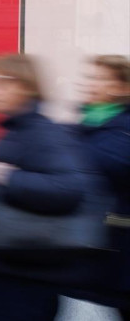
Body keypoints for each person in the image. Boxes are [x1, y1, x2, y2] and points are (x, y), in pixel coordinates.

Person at [0, 54, 95, 321]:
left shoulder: (43, 133)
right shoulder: (16, 129)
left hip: (27, 274)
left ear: (20, 85)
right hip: (8, 262)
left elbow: (70, 187)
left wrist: (6, 176)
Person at [70, 55, 130, 316]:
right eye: (88, 77)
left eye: (97, 78)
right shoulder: (88, 123)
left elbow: (92, 168)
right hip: (106, 243)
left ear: (121, 88)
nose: (88, 83)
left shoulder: (122, 129)